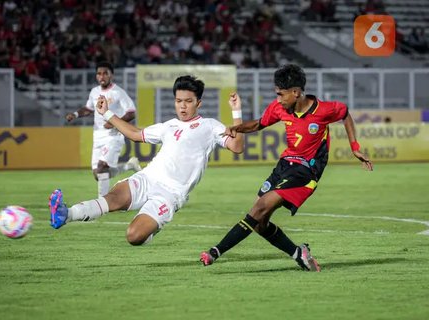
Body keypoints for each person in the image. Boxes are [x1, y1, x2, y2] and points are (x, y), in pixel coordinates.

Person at [199, 64, 373, 271]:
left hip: (306, 171)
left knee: (258, 209)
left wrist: (355, 147)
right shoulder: (279, 108)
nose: (278, 99)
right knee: (260, 223)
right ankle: (299, 254)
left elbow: (345, 114)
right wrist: (237, 128)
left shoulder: (324, 110)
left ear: (296, 92)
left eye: (281, 94)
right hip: (284, 165)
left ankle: (214, 252)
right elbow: (258, 124)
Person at [49, 75, 245, 246]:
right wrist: (106, 113)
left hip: (170, 194)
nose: (182, 106)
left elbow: (237, 147)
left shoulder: (209, 126)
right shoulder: (168, 126)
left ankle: (150, 229)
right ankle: (66, 214)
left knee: (133, 236)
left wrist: (236, 113)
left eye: (188, 101)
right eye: (178, 101)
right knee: (113, 198)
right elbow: (135, 134)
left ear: (198, 103)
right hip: (148, 178)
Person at [65, 61, 142, 197]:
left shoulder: (118, 92)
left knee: (101, 167)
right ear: (96, 76)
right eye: (99, 74)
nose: (102, 76)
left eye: (105, 73)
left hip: (113, 135)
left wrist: (114, 122)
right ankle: (129, 166)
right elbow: (88, 109)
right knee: (98, 174)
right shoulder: (94, 92)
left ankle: (103, 203)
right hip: (98, 135)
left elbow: (131, 112)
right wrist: (75, 114)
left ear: (111, 75)